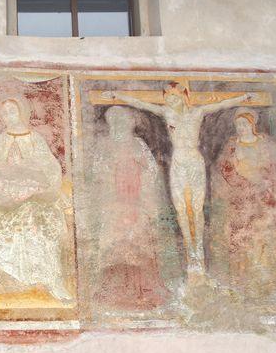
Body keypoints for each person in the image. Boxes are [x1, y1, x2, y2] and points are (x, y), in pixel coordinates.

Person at [103, 83, 255, 276]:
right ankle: (190, 254)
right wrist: (117, 94)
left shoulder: (197, 113)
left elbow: (221, 104)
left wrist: (242, 98)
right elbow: (141, 104)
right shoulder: (168, 113)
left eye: (174, 98)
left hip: (194, 163)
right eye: (168, 99)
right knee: (181, 209)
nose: (171, 102)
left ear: (184, 96)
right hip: (178, 164)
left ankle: (198, 251)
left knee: (197, 208)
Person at [0, 97, 72, 302]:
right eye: (4, 113)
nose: (8, 116)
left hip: (33, 195)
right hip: (3, 194)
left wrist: (25, 166)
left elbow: (51, 168)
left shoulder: (34, 138)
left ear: (22, 112)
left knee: (41, 222)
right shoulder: (2, 139)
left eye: (12, 111)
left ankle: (54, 282)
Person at [89, 106, 171, 310]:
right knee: (115, 244)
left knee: (139, 241)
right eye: (115, 121)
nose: (119, 125)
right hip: (113, 202)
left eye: (123, 121)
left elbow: (151, 170)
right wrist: (112, 169)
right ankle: (115, 290)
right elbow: (97, 172)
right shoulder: (105, 145)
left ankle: (142, 290)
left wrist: (137, 172)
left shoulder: (138, 144)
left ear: (130, 123)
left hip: (137, 200)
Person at [210, 110, 276, 284]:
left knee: (265, 233)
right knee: (241, 235)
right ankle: (242, 276)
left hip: (264, 195)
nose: (241, 128)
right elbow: (225, 170)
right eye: (238, 125)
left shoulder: (264, 144)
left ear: (252, 125)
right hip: (242, 197)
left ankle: (267, 276)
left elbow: (274, 168)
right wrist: (241, 182)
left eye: (245, 124)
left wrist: (265, 184)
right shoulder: (232, 145)